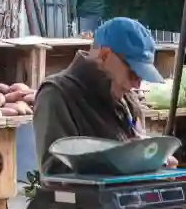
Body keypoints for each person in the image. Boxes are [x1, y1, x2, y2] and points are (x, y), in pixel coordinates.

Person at [33, 17, 167, 174]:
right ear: (104, 56)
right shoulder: (57, 94)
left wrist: (152, 160)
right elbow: (56, 174)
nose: (137, 85)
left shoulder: (128, 100)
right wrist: (124, 161)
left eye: (141, 76)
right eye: (132, 73)